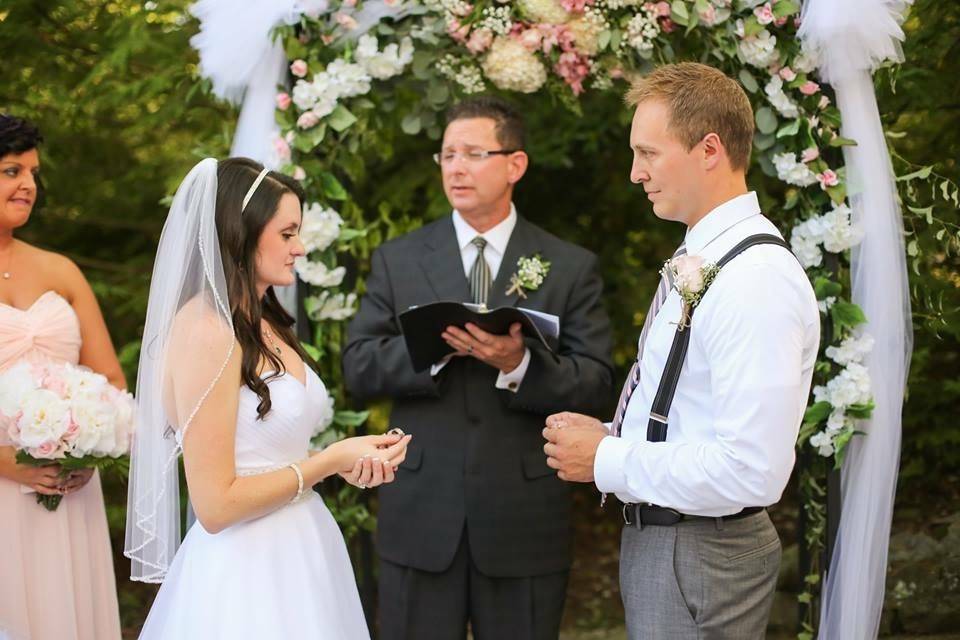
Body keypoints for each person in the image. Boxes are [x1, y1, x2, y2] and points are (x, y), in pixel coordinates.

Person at [543, 62, 821, 639]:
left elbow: (751, 471)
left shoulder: (755, 280)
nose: (634, 172)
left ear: (709, 149)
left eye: (648, 153)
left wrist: (606, 460)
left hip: (702, 551)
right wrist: (609, 435)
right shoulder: (707, 257)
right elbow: (694, 411)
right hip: (673, 540)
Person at [342, 96, 614, 640]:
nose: (457, 167)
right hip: (419, 512)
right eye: (447, 155)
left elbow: (598, 383)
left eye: (473, 153)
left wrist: (518, 365)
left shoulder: (568, 264)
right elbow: (358, 367)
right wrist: (436, 349)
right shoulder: (400, 258)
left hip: (524, 517)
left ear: (515, 164)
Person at [126, 157, 412, 639]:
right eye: (286, 234)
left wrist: (347, 458)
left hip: (305, 548)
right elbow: (215, 505)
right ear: (241, 232)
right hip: (246, 573)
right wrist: (328, 462)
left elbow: (271, 449)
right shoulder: (205, 331)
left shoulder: (267, 320)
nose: (300, 248)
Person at [0, 114, 124, 640]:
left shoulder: (61, 270)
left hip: (67, 493)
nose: (28, 184)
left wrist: (92, 452)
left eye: (32, 173)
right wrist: (12, 466)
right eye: (11, 170)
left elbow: (110, 379)